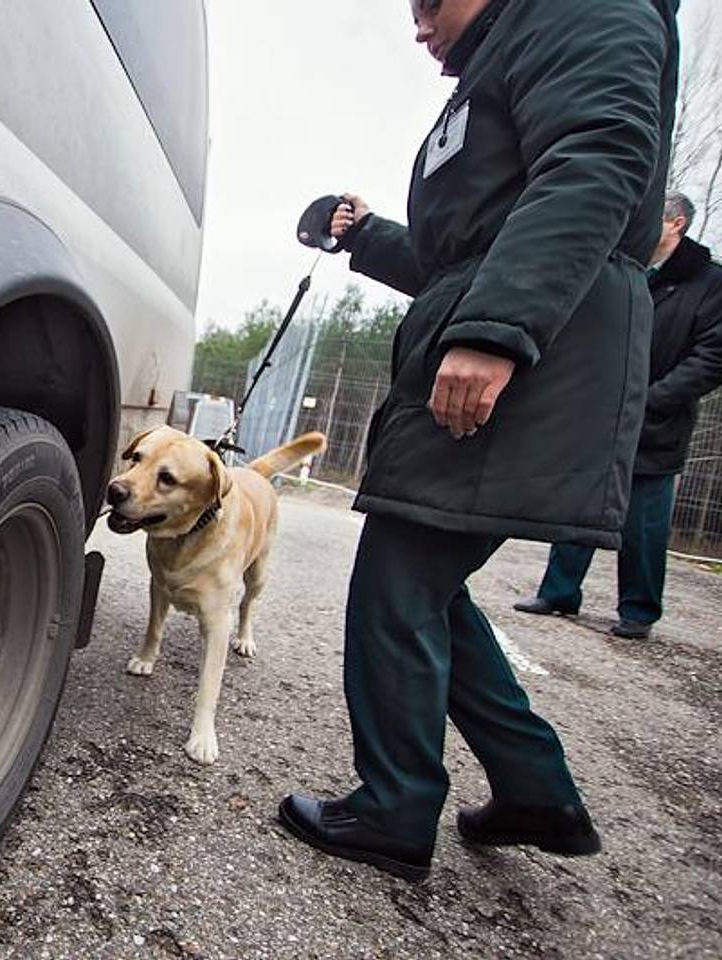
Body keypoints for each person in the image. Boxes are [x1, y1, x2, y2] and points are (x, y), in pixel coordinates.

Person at [275, 0, 679, 882]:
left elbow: (597, 164)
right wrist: (368, 238)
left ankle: (392, 808)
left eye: (427, 4)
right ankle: (535, 789)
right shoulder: (510, 53)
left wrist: (496, 329)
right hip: (507, 329)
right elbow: (467, 250)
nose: (417, 27)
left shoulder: (585, 9)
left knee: (399, 580)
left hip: (533, 352)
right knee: (423, 583)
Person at [514, 192, 722, 639]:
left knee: (644, 522)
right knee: (578, 505)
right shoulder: (624, 269)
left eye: (653, 219)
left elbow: (711, 358)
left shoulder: (709, 283)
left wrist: (651, 398)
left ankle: (639, 610)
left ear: (677, 224)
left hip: (656, 419)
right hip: (600, 412)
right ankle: (559, 593)